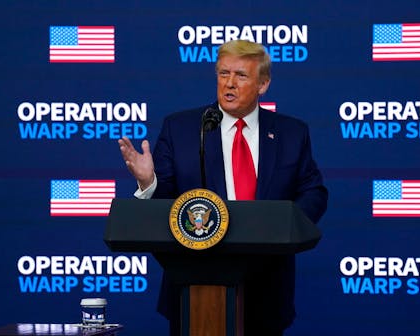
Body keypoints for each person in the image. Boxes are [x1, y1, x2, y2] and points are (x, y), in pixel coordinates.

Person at [118, 39, 328, 335]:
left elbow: (313, 192)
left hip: (267, 287)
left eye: (241, 76)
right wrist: (148, 182)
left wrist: (284, 228)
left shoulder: (291, 133)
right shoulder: (181, 129)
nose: (229, 83)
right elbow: (165, 202)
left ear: (263, 84)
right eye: (223, 74)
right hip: (193, 287)